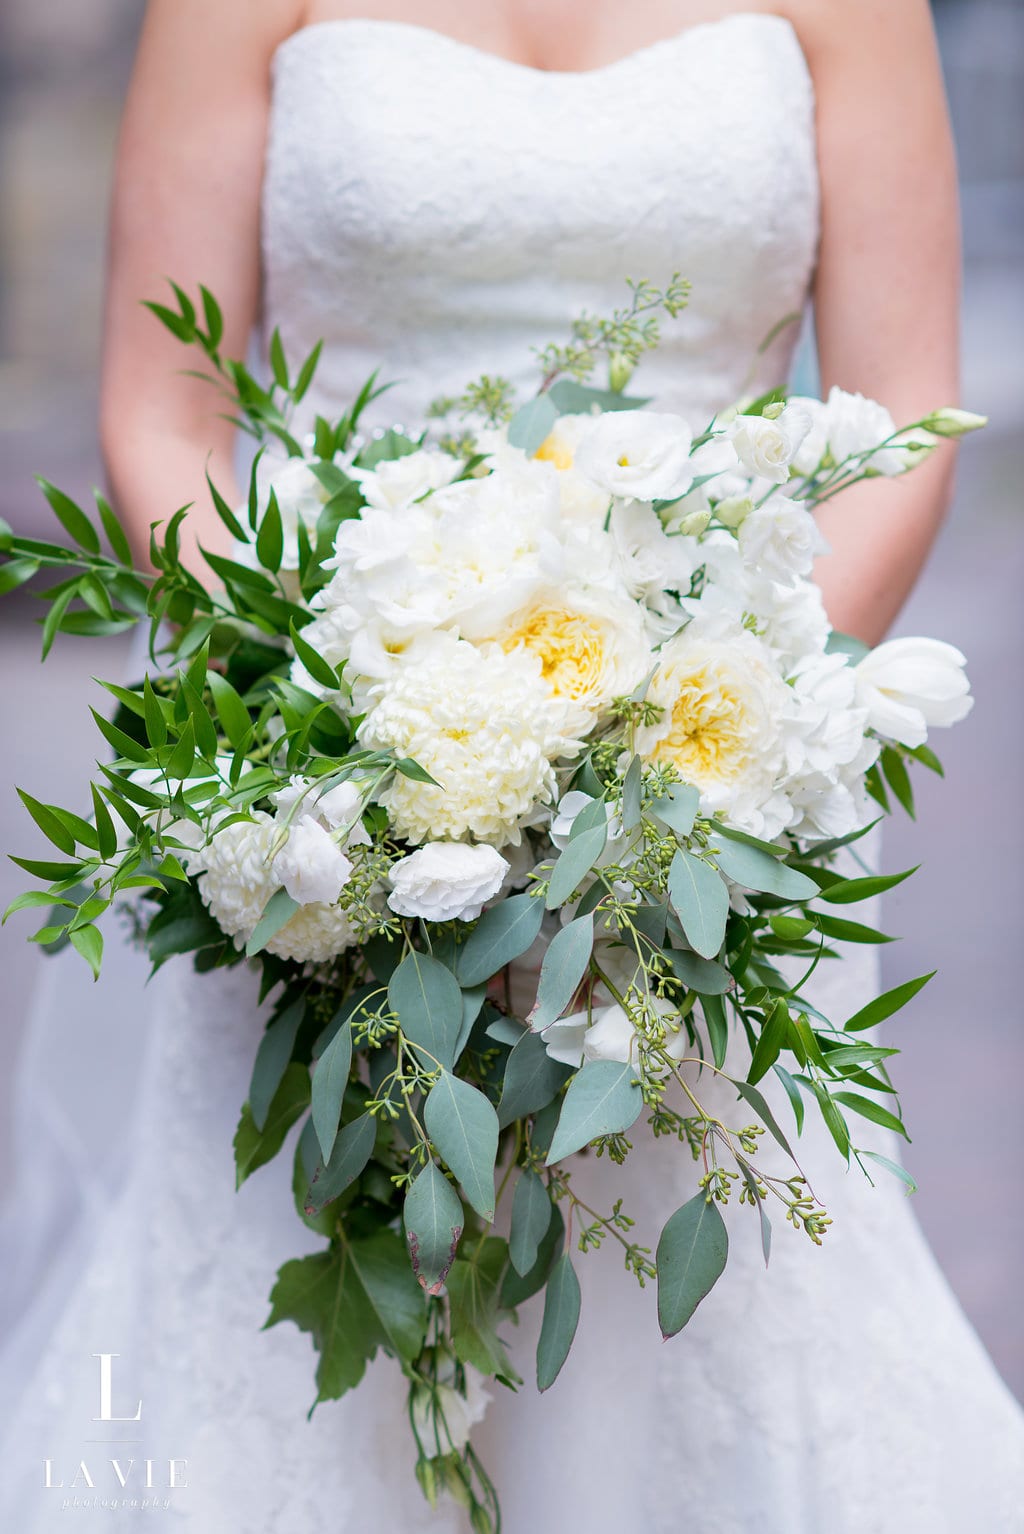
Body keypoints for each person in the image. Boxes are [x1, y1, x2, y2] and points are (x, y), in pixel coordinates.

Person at [2, 2, 1022, 1528]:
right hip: (331, 790)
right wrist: (332, 733)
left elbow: (903, 427)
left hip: (707, 786)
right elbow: (165, 414)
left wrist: (689, 749)